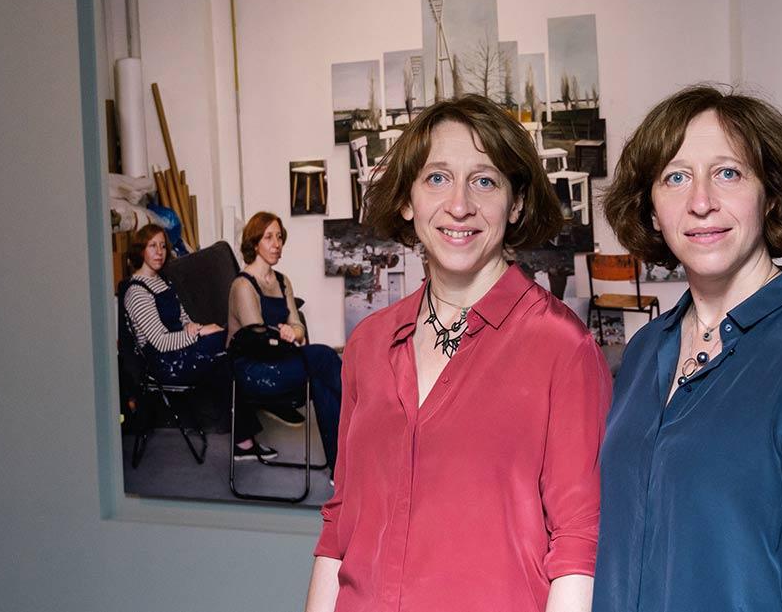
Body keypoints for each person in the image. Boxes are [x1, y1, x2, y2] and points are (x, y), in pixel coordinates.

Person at [305, 95, 612, 612]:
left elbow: (579, 545)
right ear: (407, 200)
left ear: (515, 204)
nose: (460, 205)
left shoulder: (563, 348)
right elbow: (340, 522)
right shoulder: (369, 343)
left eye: (485, 180)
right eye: (437, 178)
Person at [594, 86, 782, 612]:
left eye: (728, 173)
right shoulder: (642, 354)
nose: (701, 201)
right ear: (652, 209)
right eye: (675, 178)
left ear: (770, 194)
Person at [120, 224, 263, 454]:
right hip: (165, 363)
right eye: (152, 246)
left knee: (229, 350)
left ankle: (244, 439)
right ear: (140, 250)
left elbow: (184, 318)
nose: (160, 252)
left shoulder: (162, 281)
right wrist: (199, 332)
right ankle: (249, 432)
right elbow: (160, 342)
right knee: (230, 343)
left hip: (182, 350)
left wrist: (194, 327)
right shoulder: (136, 291)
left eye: (163, 246)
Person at [227, 212, 342, 466]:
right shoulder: (243, 285)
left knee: (322, 378)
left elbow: (297, 326)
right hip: (254, 372)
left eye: (279, 237)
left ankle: (340, 467)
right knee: (324, 356)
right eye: (268, 237)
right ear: (254, 243)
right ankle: (368, 416)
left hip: (280, 359)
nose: (276, 243)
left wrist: (292, 333)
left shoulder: (282, 281)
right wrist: (285, 335)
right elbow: (257, 341)